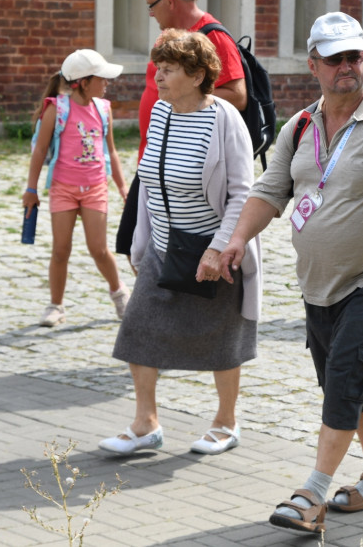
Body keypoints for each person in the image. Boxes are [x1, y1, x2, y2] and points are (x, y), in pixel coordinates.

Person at [219, 12, 363, 535]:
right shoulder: (302, 126)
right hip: (319, 284)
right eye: (335, 58)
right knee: (350, 384)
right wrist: (235, 240)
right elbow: (270, 192)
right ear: (313, 64)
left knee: (343, 383)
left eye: (355, 57)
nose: (347, 67)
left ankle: (311, 495)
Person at [99, 30, 261, 456]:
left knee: (221, 339)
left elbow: (244, 192)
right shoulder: (163, 115)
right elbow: (150, 185)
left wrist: (218, 248)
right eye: (158, 69)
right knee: (138, 327)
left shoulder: (225, 118)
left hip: (215, 249)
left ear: (197, 74)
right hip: (164, 247)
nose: (159, 78)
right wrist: (140, 243)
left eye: (168, 70)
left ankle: (226, 422)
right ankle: (145, 424)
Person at [115, 0, 247, 260]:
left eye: (152, 5)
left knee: (159, 256)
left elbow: (238, 96)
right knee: (133, 243)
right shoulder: (171, 37)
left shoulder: (213, 37)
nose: (150, 13)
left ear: (170, 0)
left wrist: (184, 100)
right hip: (156, 157)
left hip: (185, 164)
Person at [24, 49, 130, 327]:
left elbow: (112, 152)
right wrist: (31, 189)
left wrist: (123, 187)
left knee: (99, 249)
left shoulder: (104, 110)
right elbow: (40, 151)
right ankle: (55, 305)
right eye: (102, 79)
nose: (107, 83)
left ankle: (119, 293)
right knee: (61, 250)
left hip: (95, 187)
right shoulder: (56, 109)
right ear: (83, 82)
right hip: (63, 188)